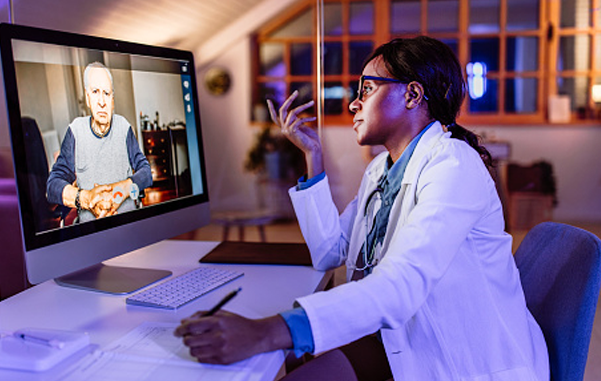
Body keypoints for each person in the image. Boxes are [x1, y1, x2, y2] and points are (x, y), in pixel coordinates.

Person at [174, 36, 549, 381]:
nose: (353, 103)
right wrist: (313, 156)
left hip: (459, 357)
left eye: (367, 89)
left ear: (412, 94)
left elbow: (401, 283)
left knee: (278, 350)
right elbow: (329, 252)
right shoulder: (379, 170)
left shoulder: (453, 165)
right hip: (396, 337)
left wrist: (265, 331)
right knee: (275, 361)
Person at [47, 62, 153, 223]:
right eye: (95, 92)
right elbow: (52, 186)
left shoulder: (124, 127)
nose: (102, 101)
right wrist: (87, 199)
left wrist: (120, 191)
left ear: (112, 100)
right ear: (88, 97)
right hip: (90, 232)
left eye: (107, 93)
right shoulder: (75, 131)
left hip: (128, 226)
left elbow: (146, 172)